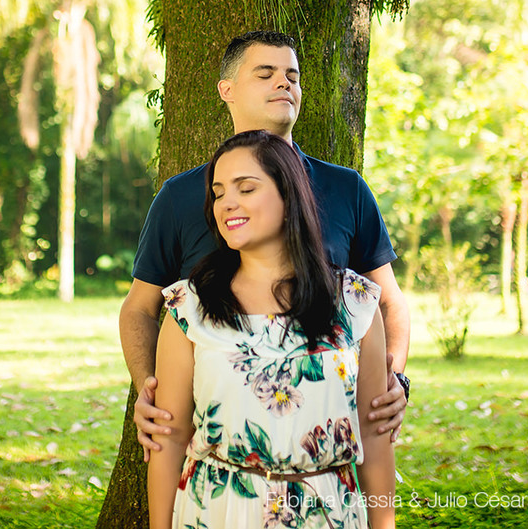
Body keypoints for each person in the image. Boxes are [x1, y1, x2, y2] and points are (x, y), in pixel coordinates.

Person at [119, 31, 410, 462]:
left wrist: (393, 380)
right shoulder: (180, 198)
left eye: (292, 75)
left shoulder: (347, 189)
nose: (284, 83)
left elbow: (387, 302)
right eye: (266, 73)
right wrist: (149, 387)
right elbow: (139, 309)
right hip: (218, 448)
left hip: (324, 444)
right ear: (227, 90)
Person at [148, 130, 395, 529]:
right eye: (219, 192)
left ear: (289, 194)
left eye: (246, 188)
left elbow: (375, 438)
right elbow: (170, 437)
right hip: (218, 510)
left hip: (328, 512)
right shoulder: (189, 306)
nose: (228, 203)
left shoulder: (355, 302)